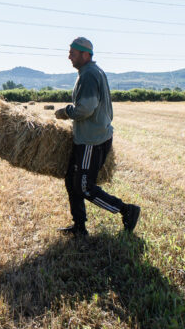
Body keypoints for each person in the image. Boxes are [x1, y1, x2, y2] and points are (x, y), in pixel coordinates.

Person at [54, 36, 140, 237]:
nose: (69, 57)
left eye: (72, 53)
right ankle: (79, 226)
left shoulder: (89, 74)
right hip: (86, 138)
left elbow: (85, 109)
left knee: (84, 187)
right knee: (71, 181)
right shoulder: (89, 72)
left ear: (85, 55)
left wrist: (65, 111)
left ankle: (126, 210)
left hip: (92, 141)